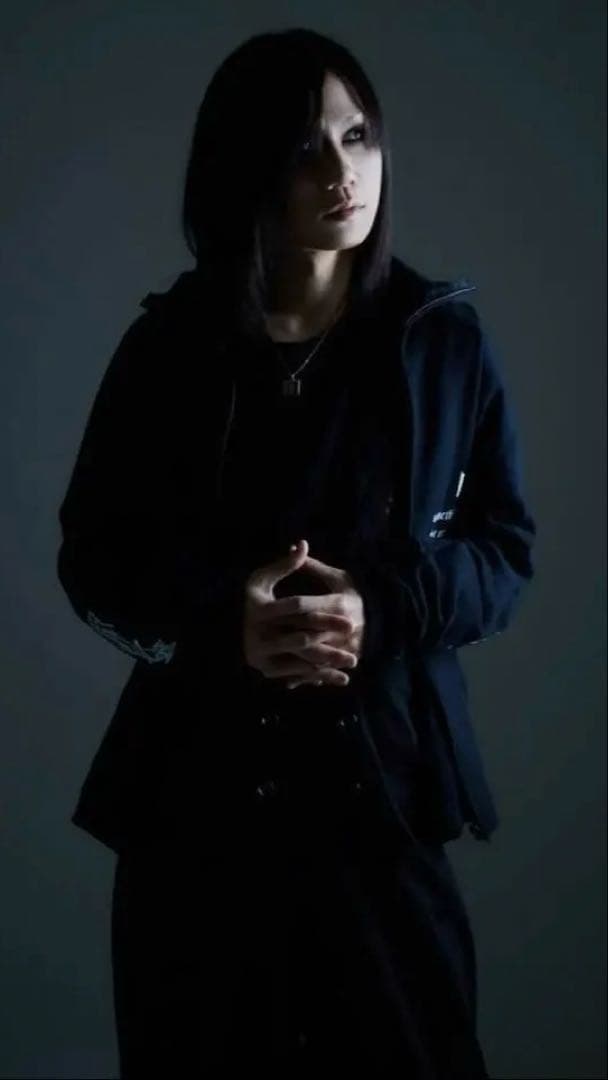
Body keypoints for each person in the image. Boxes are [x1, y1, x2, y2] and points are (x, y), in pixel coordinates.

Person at [57, 27, 536, 1077]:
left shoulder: (440, 341)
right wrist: (221, 621)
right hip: (197, 812)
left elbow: (505, 553)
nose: (340, 171)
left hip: (384, 800)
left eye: (357, 136)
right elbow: (91, 555)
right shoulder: (169, 345)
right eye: (303, 147)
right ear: (245, 169)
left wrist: (384, 610)